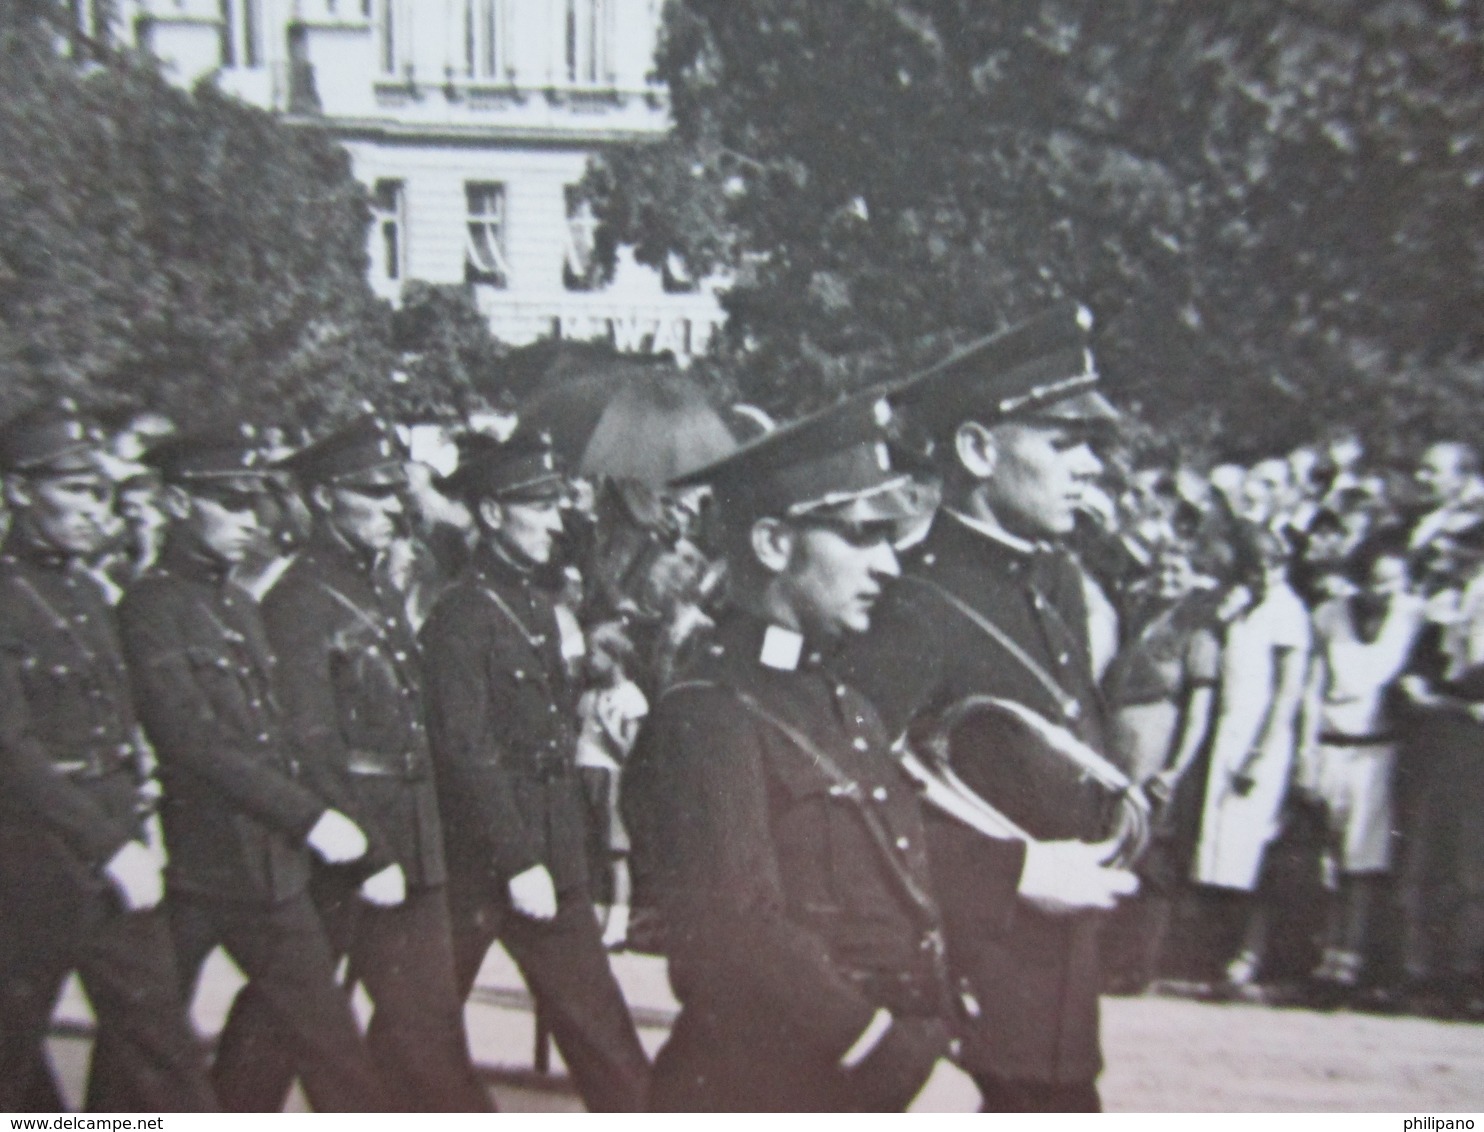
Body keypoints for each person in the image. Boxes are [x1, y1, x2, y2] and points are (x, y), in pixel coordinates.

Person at [622, 394, 979, 1111]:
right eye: (860, 536)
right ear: (773, 545)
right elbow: (733, 931)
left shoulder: (834, 697)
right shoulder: (708, 713)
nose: (887, 566)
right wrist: (891, 1060)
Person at [839, 303, 1140, 1113]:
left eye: (1092, 447)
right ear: (976, 450)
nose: (1090, 470)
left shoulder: (1055, 585)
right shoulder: (911, 608)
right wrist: (1012, 875)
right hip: (954, 984)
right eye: (1063, 444)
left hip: (1044, 987)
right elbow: (841, 813)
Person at [217, 416, 490, 1111]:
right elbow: (308, 743)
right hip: (350, 846)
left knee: (418, 1032)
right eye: (372, 492)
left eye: (396, 490)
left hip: (406, 840)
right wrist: (369, 852)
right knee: (285, 1026)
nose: (394, 506)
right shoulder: (298, 600)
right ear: (320, 500)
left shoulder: (373, 587)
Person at [118, 428, 388, 1111]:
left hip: (267, 873)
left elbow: (277, 734)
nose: (250, 521)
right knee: (136, 1071)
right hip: (190, 870)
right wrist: (310, 815)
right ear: (178, 503)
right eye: (229, 504)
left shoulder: (238, 604)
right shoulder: (151, 606)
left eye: (256, 505)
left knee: (339, 1060)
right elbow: (193, 740)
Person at [420, 431, 649, 1112]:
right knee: (414, 1039)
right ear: (492, 514)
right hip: (483, 861)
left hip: (551, 856)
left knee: (607, 1040)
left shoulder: (537, 610)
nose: (557, 522)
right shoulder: (460, 615)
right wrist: (518, 858)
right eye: (539, 505)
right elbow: (463, 746)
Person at [0, 404, 216, 1113]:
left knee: (167, 1058)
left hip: (113, 846)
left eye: (102, 491)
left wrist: (137, 820)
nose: (98, 508)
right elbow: (12, 749)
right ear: (21, 491)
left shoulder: (91, 591)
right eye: (77, 490)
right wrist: (109, 842)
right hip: (30, 861)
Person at [1298, 536, 1424, 999]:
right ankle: (1323, 957)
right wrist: (1306, 752)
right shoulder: (1330, 615)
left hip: (1380, 752)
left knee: (1363, 861)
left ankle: (1349, 962)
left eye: (1395, 579)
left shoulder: (1414, 615)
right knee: (1325, 858)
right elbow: (1312, 688)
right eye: (1377, 581)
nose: (1386, 589)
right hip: (1331, 744)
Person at [1190, 525, 1312, 991]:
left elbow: (1286, 693)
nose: (1264, 574)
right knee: (1223, 855)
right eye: (1255, 566)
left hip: (1261, 745)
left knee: (1254, 853)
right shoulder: (1240, 608)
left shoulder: (1289, 613)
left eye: (1273, 565)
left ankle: (1249, 957)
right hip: (1227, 737)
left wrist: (1258, 757)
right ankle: (1222, 959)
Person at [1100, 543, 1224, 993]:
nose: (1166, 575)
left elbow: (1199, 709)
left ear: (1195, 578)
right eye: (1161, 566)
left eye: (1177, 568)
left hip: (1158, 738)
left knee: (1151, 854)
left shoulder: (1198, 633)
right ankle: (1111, 959)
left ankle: (1139, 966)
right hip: (1120, 743)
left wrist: (1176, 767)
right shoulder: (1138, 620)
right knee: (1119, 846)